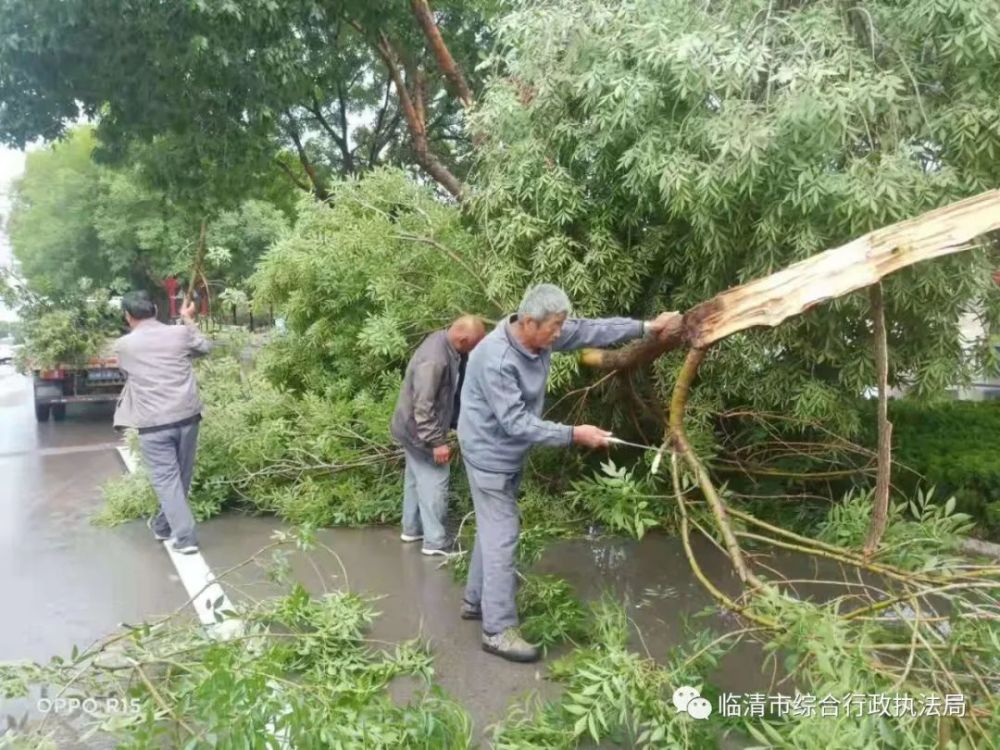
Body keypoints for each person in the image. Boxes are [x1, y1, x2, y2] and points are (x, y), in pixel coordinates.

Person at [457, 284, 681, 662]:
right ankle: (496, 630)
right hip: (488, 454)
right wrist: (575, 434)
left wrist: (646, 328)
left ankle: (475, 601)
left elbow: (591, 330)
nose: (560, 333)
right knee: (503, 536)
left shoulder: (540, 338)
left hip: (505, 452)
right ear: (529, 322)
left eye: (561, 325)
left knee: (492, 527)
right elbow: (516, 423)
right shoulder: (497, 360)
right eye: (555, 326)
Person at [113, 291, 212, 555]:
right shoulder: (179, 334)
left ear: (128, 316)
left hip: (153, 424)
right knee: (182, 476)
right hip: (187, 417)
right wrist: (187, 320)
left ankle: (186, 538)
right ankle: (162, 525)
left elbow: (128, 372)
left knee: (168, 480)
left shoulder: (124, 345)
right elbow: (204, 348)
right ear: (155, 310)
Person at [390, 315, 486, 555]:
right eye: (474, 345)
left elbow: (450, 391)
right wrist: (437, 443)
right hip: (419, 431)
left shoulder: (447, 344)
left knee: (415, 479)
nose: (475, 350)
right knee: (435, 479)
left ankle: (411, 530)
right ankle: (435, 542)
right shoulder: (435, 359)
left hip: (408, 427)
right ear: (463, 339)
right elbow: (423, 405)